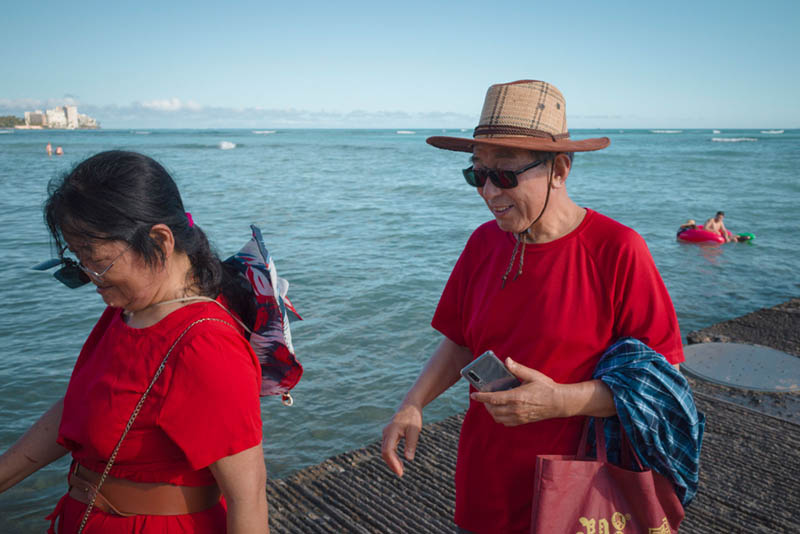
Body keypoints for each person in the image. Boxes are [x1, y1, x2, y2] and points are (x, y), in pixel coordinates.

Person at [381, 80, 685, 533]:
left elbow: (664, 388)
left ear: (560, 170)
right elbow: (461, 341)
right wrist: (413, 403)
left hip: (580, 490)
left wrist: (560, 401)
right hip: (485, 482)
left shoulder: (618, 249)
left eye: (504, 175)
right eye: (476, 174)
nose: (487, 192)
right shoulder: (484, 243)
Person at [0, 151, 269, 533]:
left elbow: (248, 496)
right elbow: (85, 405)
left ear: (159, 241)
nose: (91, 277)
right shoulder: (129, 307)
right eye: (78, 261)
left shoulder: (206, 347)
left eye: (98, 261)